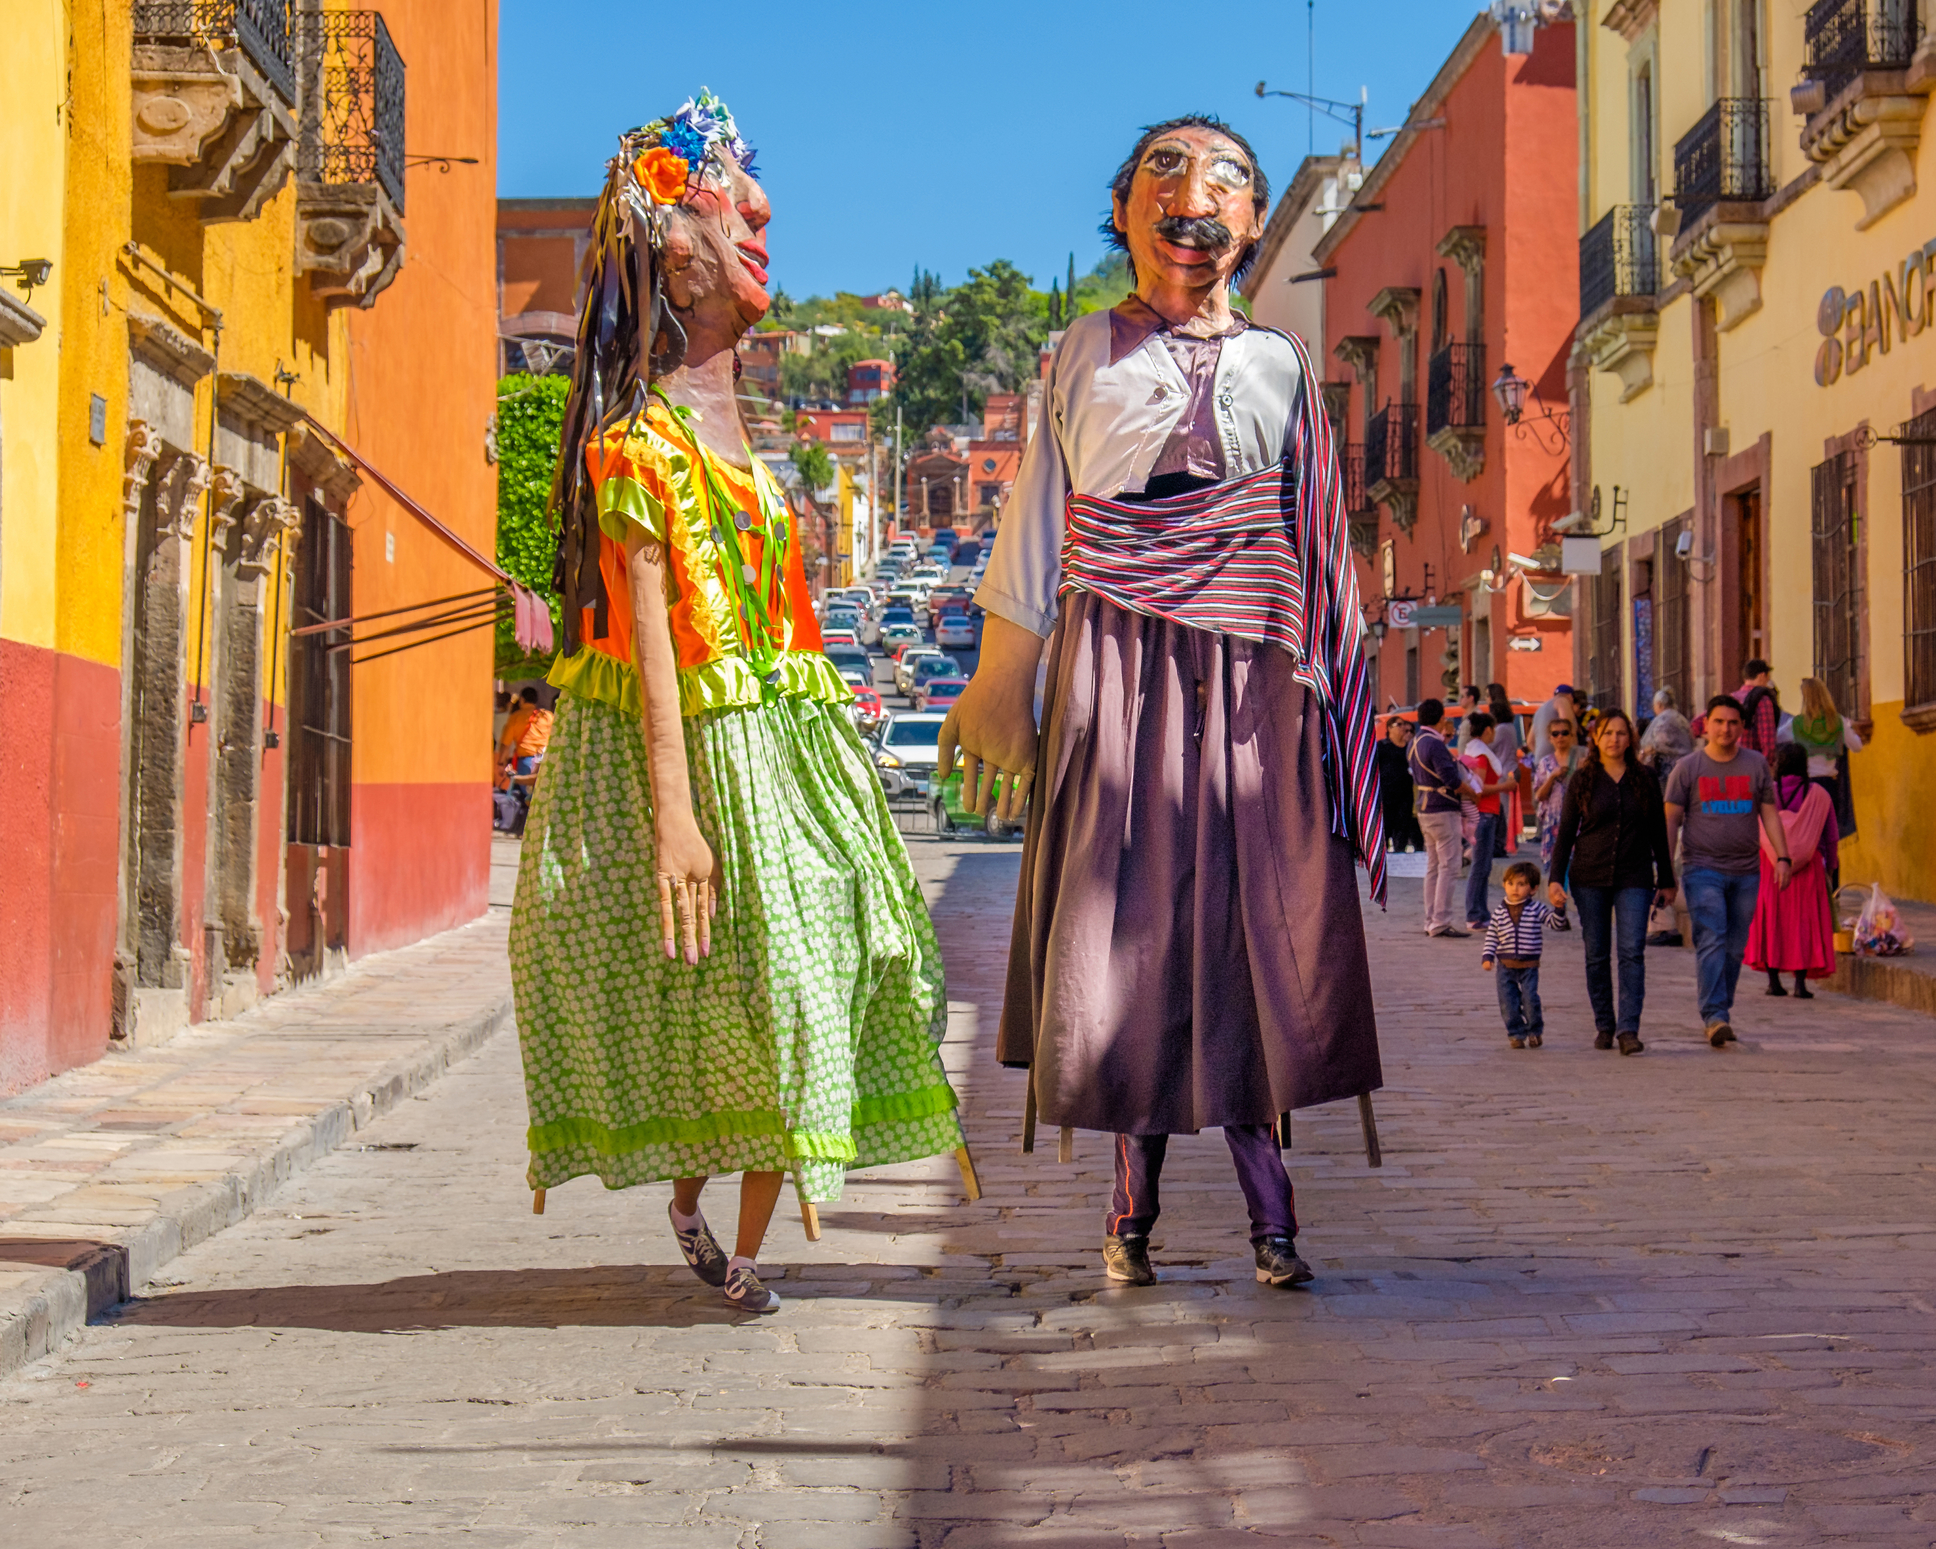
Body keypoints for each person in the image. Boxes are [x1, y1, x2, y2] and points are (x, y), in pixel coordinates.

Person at [510, 96, 965, 1315]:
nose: (760, 212)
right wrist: (675, 812)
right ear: (672, 247)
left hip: (788, 761)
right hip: (702, 763)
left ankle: (746, 1231)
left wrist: (849, 785)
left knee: (824, 967)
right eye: (726, 197)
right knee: (730, 995)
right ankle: (701, 1214)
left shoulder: (757, 464)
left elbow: (795, 632)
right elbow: (650, 639)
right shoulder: (638, 448)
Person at [942, 114, 1387, 1291]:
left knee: (1254, 940)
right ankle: (1128, 1212)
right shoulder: (1078, 352)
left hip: (1255, 684)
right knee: (1128, 930)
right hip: (1115, 674)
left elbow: (1322, 543)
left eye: (1229, 179)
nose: (1196, 195)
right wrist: (1003, 681)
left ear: (1250, 222)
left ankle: (1271, 1221)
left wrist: (1340, 719)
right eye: (1167, 173)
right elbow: (1037, 520)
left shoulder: (1284, 366)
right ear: (1123, 208)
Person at [1664, 695, 1794, 1049]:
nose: (1726, 728)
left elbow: (1769, 813)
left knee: (1736, 947)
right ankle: (1714, 1015)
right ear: (1706, 726)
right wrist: (1665, 870)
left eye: (1733, 722)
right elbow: (1671, 819)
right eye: (1719, 722)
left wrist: (1783, 857)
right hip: (1701, 868)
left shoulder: (1755, 765)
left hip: (1747, 871)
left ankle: (1721, 1008)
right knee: (1712, 936)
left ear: (1742, 728)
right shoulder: (1688, 768)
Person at [1546, 709, 1675, 1055]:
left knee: (1632, 951)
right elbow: (1566, 833)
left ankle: (1628, 1029)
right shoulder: (1583, 778)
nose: (1614, 740)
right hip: (1589, 876)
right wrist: (1555, 878)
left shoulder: (1645, 778)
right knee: (1596, 953)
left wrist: (1666, 877)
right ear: (1596, 739)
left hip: (1634, 875)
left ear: (1630, 738)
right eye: (1607, 733)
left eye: (1621, 733)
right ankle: (1604, 1023)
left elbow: (1657, 832)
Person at [1747, 741, 1838, 999]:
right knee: (1804, 923)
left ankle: (1773, 982)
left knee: (1772, 921)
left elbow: (1754, 830)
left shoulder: (1767, 793)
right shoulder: (1819, 795)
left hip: (1771, 867)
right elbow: (1831, 836)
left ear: (1777, 764)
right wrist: (1831, 866)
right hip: (1809, 868)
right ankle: (1800, 984)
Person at [1410, 697, 1471, 937]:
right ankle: (1441, 920)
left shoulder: (1416, 742)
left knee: (1434, 866)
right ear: (1440, 718)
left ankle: (1430, 919)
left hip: (1425, 808)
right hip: (1442, 807)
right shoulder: (1434, 744)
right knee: (1449, 865)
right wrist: (1472, 792)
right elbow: (1451, 780)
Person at [1786, 676, 1862, 863]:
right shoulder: (1838, 722)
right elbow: (1857, 746)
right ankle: (1832, 884)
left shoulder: (1797, 725)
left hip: (1804, 786)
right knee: (1830, 838)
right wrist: (1849, 729)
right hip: (1828, 786)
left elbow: (1777, 738)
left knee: (1807, 836)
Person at [1482, 860, 1550, 1049]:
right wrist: (1487, 956)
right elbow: (1492, 936)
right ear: (1504, 885)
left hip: (1529, 965)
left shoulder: (1537, 909)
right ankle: (1516, 1033)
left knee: (1530, 999)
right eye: (1511, 884)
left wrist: (1560, 910)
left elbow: (1554, 923)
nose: (1515, 889)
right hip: (1505, 965)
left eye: (1521, 885)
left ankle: (1534, 1031)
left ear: (1533, 888)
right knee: (1508, 1003)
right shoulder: (1499, 912)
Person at [1461, 711, 1514, 930]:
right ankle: (1475, 913)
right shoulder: (1481, 756)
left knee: (1483, 865)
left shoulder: (1472, 750)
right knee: (1480, 866)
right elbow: (1479, 788)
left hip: (1481, 813)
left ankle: (1480, 912)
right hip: (1484, 813)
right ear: (1488, 730)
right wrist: (1505, 787)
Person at [1532, 717, 1582, 932]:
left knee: (1578, 867)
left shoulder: (1581, 760)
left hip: (1580, 821)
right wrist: (1552, 777)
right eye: (1556, 734)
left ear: (1571, 736)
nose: (1560, 737)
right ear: (1550, 738)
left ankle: (1582, 908)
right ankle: (1560, 913)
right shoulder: (1545, 764)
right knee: (1557, 868)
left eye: (1564, 732)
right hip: (1554, 821)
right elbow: (1539, 795)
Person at [1377, 716, 1423, 853]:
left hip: (1405, 794)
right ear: (1390, 728)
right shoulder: (1382, 746)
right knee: (1386, 827)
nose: (1403, 728)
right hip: (1387, 794)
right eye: (1399, 724)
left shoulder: (1410, 747)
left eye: (1405, 725)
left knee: (1403, 826)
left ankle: (1399, 855)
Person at [1637, 686, 1694, 786]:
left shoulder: (1663, 720)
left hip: (1668, 773)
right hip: (1687, 768)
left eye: (1654, 706)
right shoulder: (1681, 719)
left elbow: (1659, 743)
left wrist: (1644, 752)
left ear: (1659, 704)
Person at [1733, 659, 1781, 759]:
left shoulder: (1731, 698)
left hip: (1731, 761)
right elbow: (1768, 739)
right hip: (1753, 761)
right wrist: (1767, 764)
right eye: (1768, 677)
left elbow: (1697, 725)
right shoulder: (1763, 700)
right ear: (1762, 676)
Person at [1529, 683, 1576, 764]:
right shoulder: (1562, 701)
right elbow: (1568, 727)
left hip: (1540, 762)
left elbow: (1530, 742)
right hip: (1558, 763)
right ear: (1570, 696)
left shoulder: (1539, 710)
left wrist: (1541, 757)